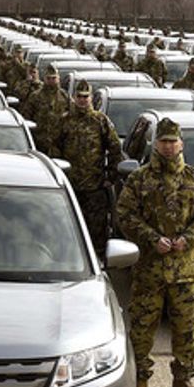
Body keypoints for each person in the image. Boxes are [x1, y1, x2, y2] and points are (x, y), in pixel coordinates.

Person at [116, 117, 194, 387]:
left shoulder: (193, 178)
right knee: (141, 326)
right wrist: (151, 238)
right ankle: (139, 379)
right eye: (163, 141)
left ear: (181, 144)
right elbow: (124, 214)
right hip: (149, 269)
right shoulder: (140, 179)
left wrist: (188, 238)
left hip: (184, 270)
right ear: (156, 144)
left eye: (173, 141)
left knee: (186, 327)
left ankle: (183, 379)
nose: (168, 146)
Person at [51, 80, 124, 256]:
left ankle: (97, 264)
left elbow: (115, 149)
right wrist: (59, 176)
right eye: (80, 97)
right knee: (67, 229)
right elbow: (55, 148)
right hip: (70, 187)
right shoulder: (65, 120)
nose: (83, 100)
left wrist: (110, 177)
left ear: (91, 98)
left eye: (86, 97)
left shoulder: (100, 121)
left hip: (94, 188)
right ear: (74, 98)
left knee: (96, 233)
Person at [21, 65, 72, 155]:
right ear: (44, 79)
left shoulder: (65, 96)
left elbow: (72, 116)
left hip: (58, 145)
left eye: (54, 78)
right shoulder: (35, 96)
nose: (51, 81)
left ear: (58, 79)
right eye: (49, 78)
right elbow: (26, 117)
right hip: (39, 143)